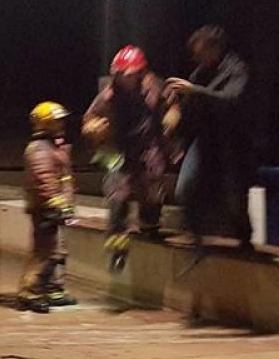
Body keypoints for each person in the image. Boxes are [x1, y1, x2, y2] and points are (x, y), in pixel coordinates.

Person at [82, 46, 179, 273]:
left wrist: (172, 116)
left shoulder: (153, 86)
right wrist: (93, 128)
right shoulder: (108, 95)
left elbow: (172, 105)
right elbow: (89, 119)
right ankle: (117, 250)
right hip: (117, 150)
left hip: (148, 148)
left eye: (130, 73)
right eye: (121, 73)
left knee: (153, 192)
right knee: (118, 197)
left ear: (140, 72)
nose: (126, 78)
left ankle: (150, 226)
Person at [165, 25, 253, 249]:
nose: (195, 57)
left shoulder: (237, 69)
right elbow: (188, 107)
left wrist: (195, 91)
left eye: (199, 51)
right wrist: (175, 106)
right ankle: (194, 235)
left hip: (231, 142)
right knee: (185, 188)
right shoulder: (201, 72)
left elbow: (231, 100)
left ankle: (245, 241)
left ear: (214, 48)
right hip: (204, 141)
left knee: (234, 197)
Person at [18, 101, 77, 314]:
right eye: (57, 120)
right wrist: (55, 202)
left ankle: (53, 289)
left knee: (58, 251)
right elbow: (44, 179)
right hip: (45, 208)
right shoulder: (40, 149)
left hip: (55, 207)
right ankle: (30, 292)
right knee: (45, 251)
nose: (61, 123)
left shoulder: (53, 145)